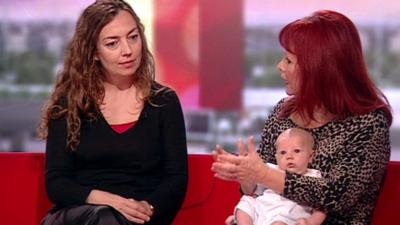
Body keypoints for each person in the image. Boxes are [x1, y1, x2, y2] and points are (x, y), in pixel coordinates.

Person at [212, 10, 392, 225]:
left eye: (288, 60)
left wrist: (263, 173)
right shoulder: (284, 112)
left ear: (318, 68)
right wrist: (247, 175)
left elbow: (338, 196)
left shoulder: (368, 123)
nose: (280, 66)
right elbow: (261, 189)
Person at [38, 1, 188, 225]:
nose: (127, 50)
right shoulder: (70, 103)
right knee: (104, 217)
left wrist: (146, 209)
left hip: (138, 218)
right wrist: (108, 201)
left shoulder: (163, 102)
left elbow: (175, 179)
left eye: (133, 37)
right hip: (79, 215)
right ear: (94, 52)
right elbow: (57, 182)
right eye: (112, 43)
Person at [234, 128, 326, 225]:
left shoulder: (314, 176)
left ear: (310, 156)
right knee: (247, 201)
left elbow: (321, 208)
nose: (289, 156)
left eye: (297, 151)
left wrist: (310, 222)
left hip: (288, 218)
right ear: (276, 157)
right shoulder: (270, 169)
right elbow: (252, 192)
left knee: (278, 223)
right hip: (262, 212)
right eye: (283, 152)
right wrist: (246, 178)